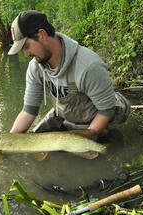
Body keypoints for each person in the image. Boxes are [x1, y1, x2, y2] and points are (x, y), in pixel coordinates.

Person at [8, 10, 130, 139]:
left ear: (42, 35)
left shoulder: (88, 66)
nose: (26, 54)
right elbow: (28, 112)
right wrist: (7, 141)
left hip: (99, 115)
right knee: (36, 141)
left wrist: (84, 142)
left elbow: (106, 110)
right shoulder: (35, 68)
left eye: (26, 46)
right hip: (64, 115)